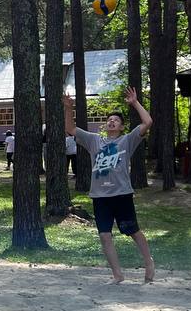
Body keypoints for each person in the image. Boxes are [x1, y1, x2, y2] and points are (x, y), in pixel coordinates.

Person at [64, 90, 156, 283]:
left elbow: (148, 122)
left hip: (122, 194)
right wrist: (68, 108)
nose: (112, 122)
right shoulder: (94, 140)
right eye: (109, 120)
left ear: (121, 127)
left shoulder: (127, 140)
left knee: (133, 231)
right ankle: (117, 275)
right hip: (100, 197)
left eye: (116, 120)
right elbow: (70, 128)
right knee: (105, 236)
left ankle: (149, 262)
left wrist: (135, 103)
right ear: (106, 125)